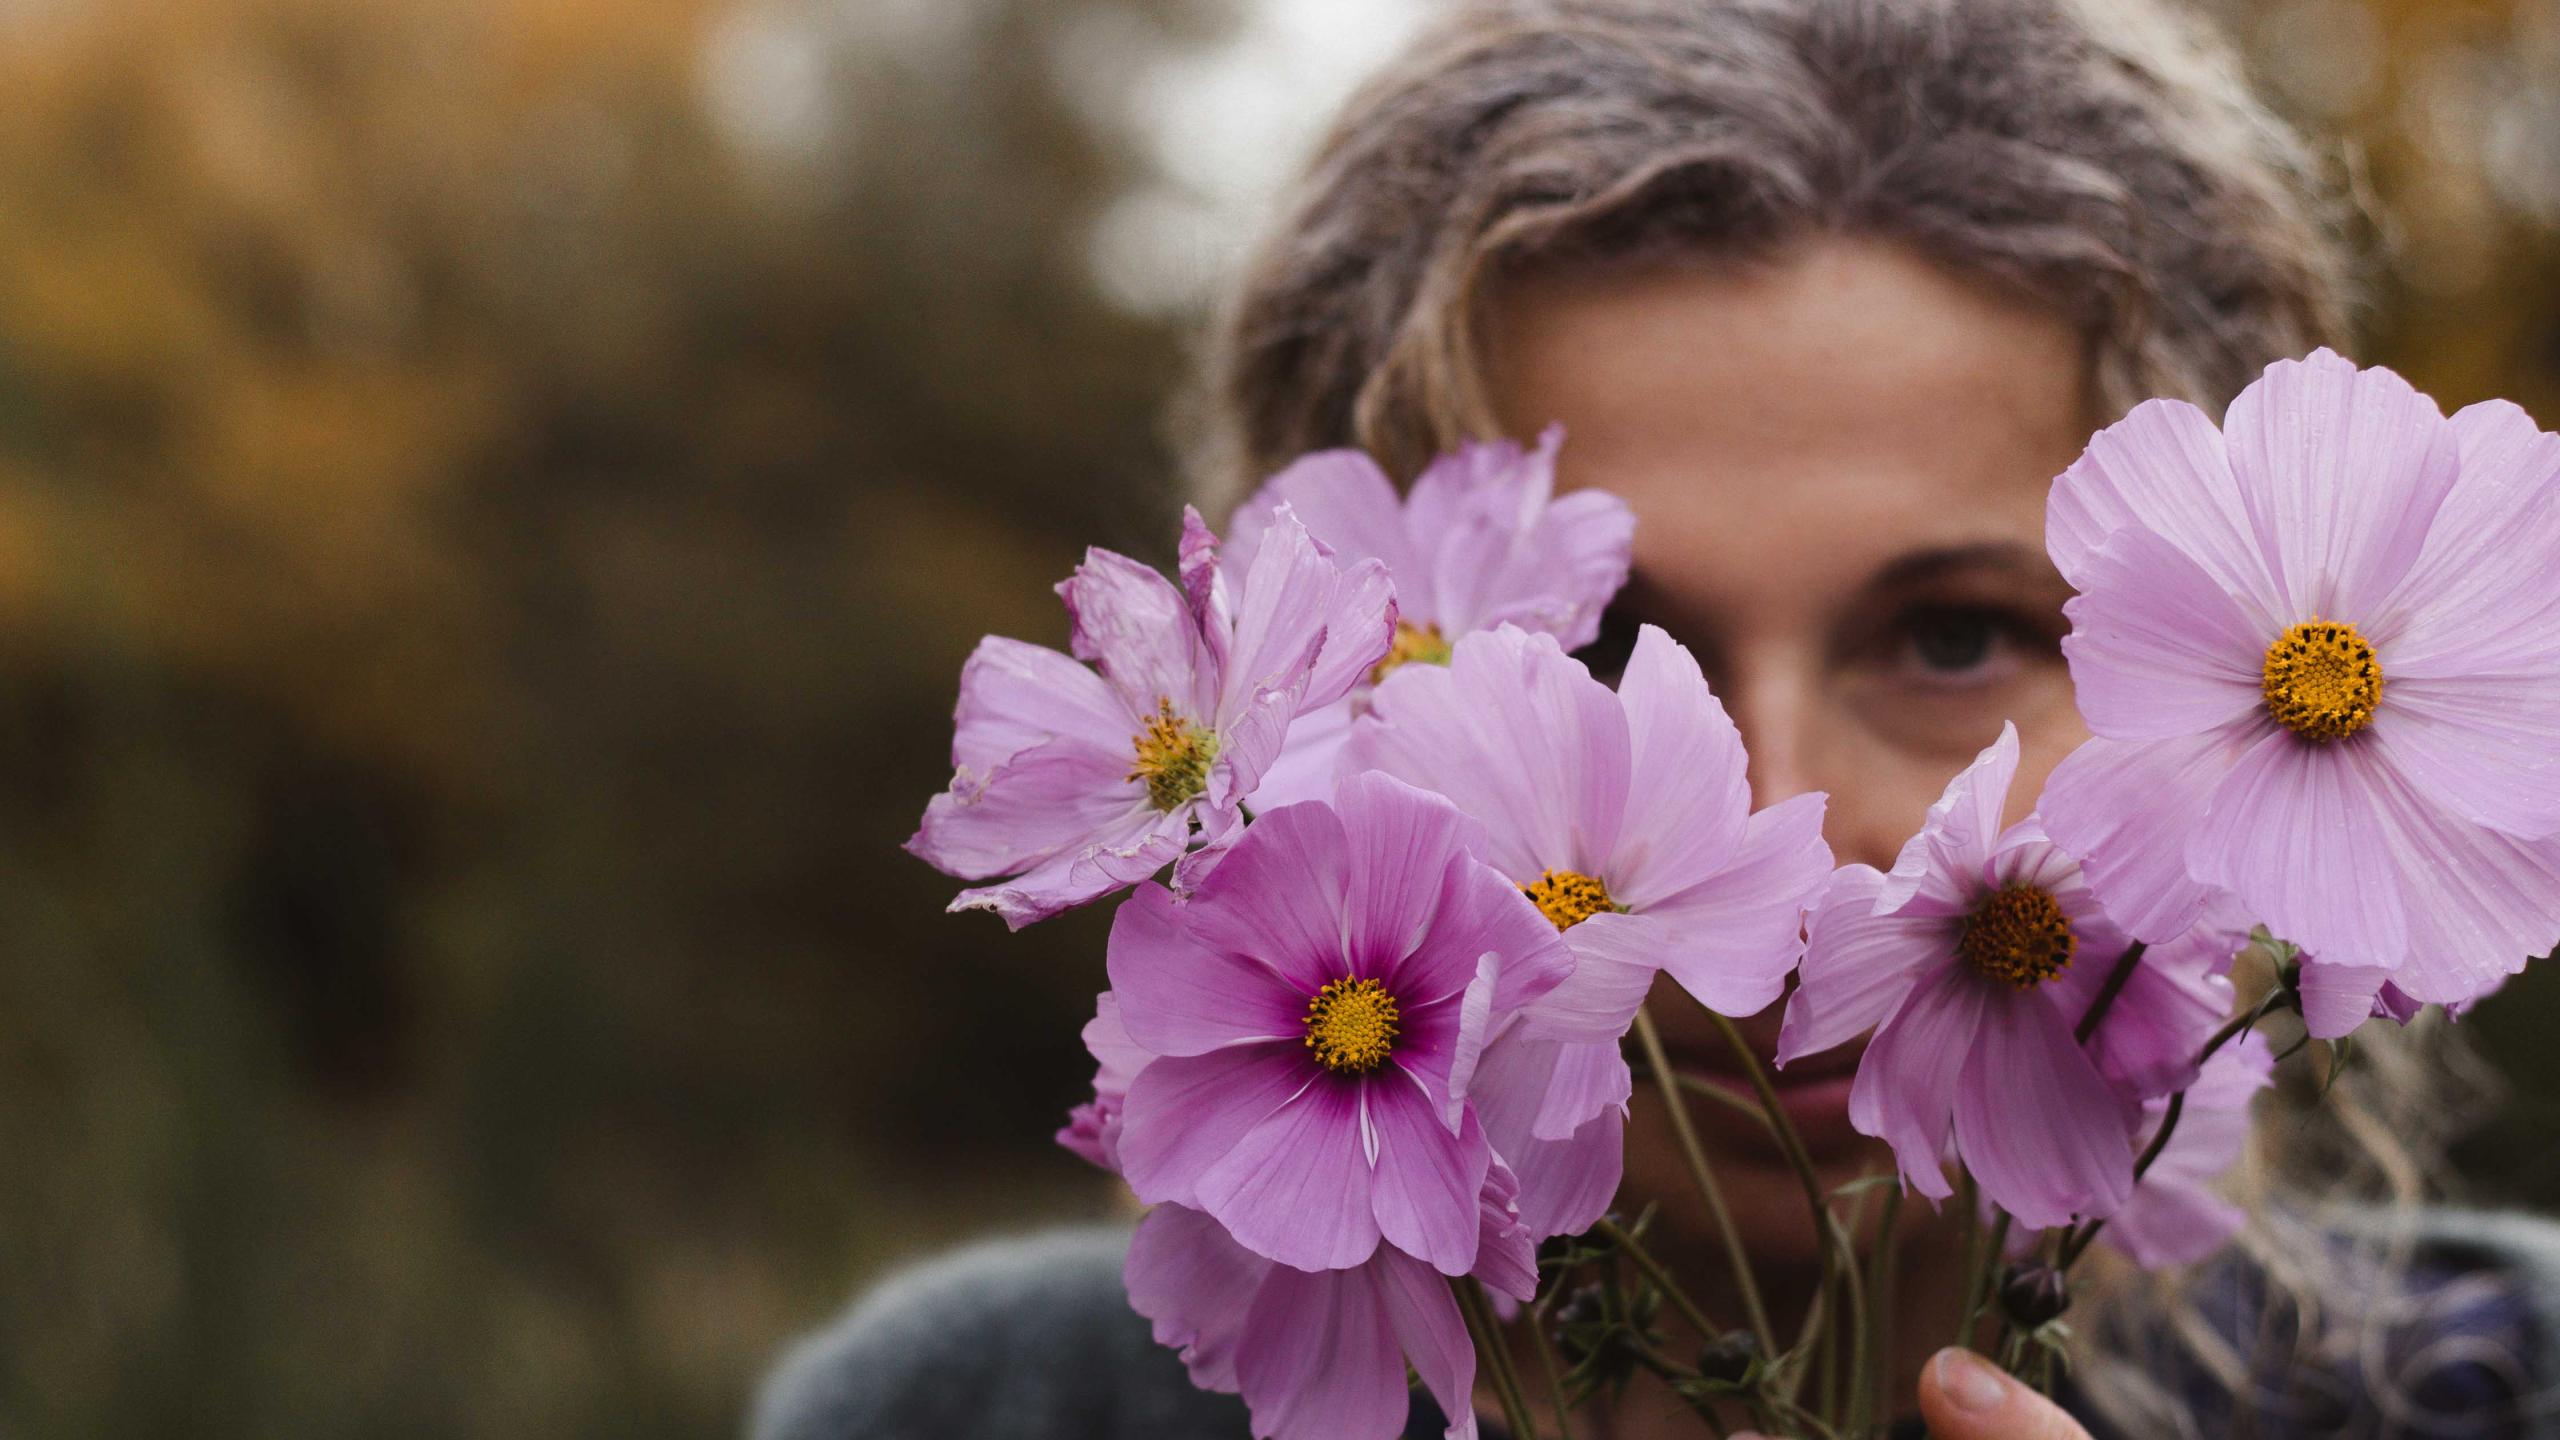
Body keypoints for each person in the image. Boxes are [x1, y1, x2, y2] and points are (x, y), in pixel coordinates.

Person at [754, 1, 2560, 1435]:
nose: (1776, 824)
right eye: (1604, 649)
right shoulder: (973, 1410)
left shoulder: (2514, 1384)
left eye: (1952, 631)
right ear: (1295, 742)